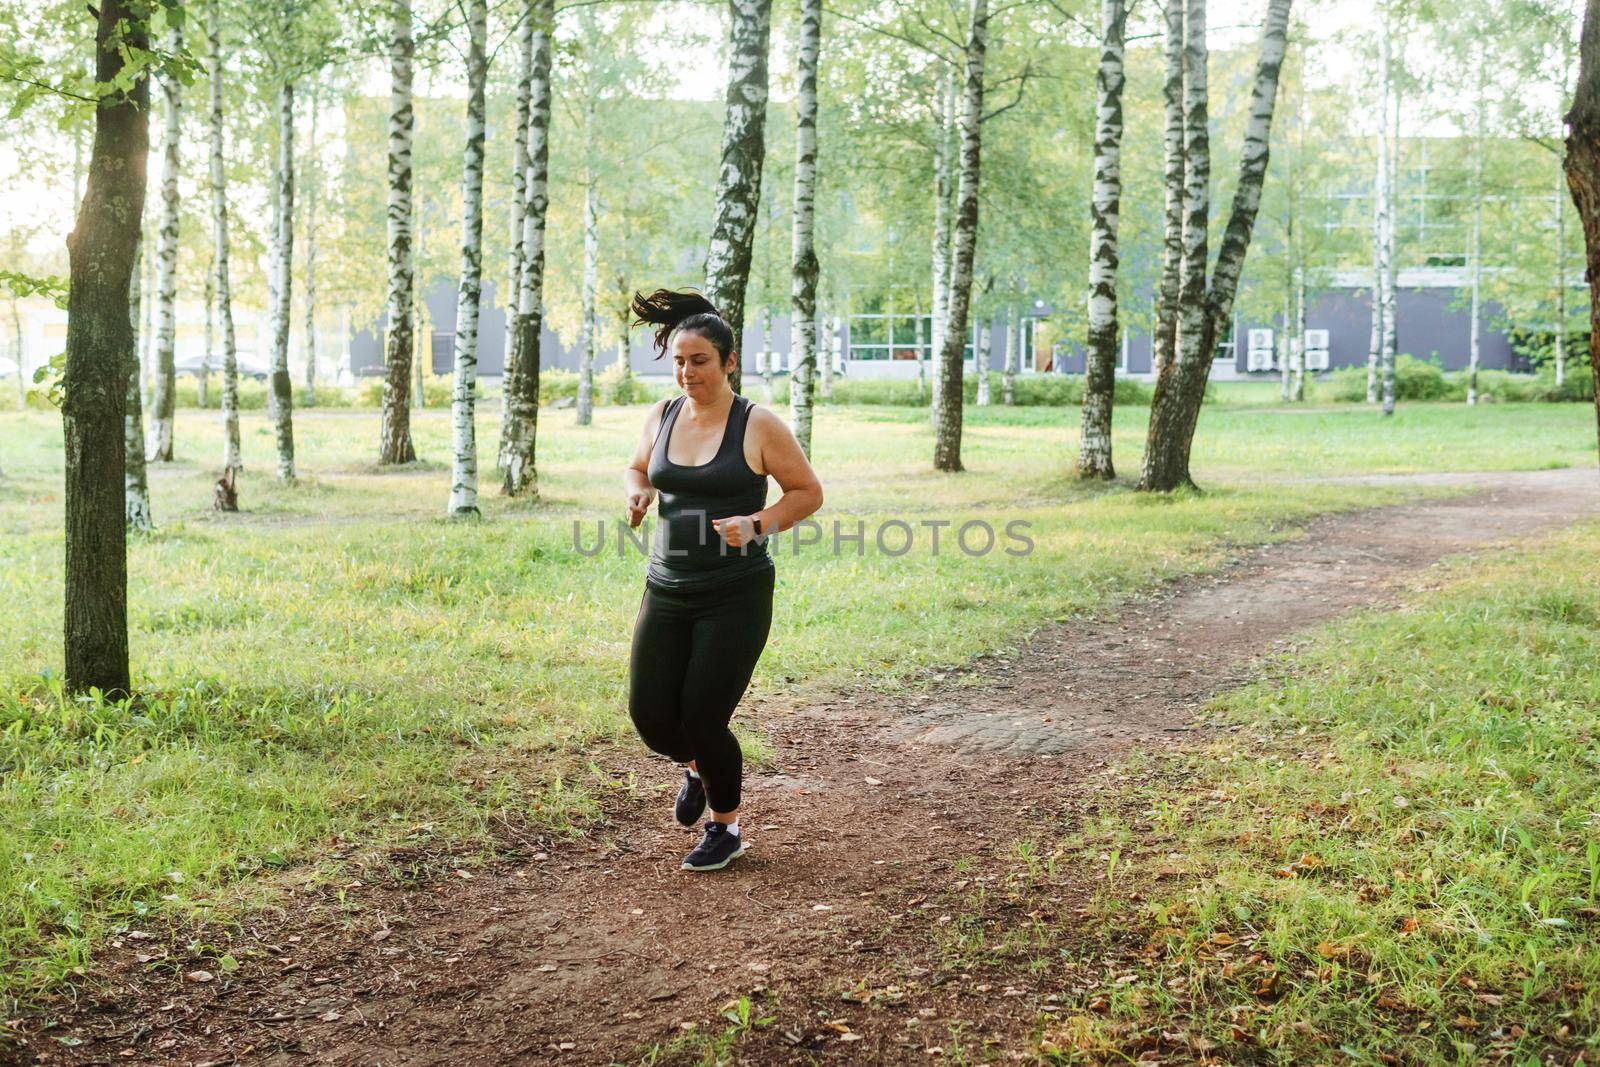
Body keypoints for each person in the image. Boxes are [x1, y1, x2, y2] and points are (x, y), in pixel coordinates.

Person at [623, 289, 824, 872]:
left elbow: (808, 493)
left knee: (704, 717)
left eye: (700, 361)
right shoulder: (661, 415)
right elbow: (639, 465)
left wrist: (759, 523)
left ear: (729, 361)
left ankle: (725, 828)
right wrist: (637, 490)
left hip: (734, 594)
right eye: (680, 361)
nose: (687, 373)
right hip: (667, 585)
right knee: (653, 718)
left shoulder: (757, 424)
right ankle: (695, 765)